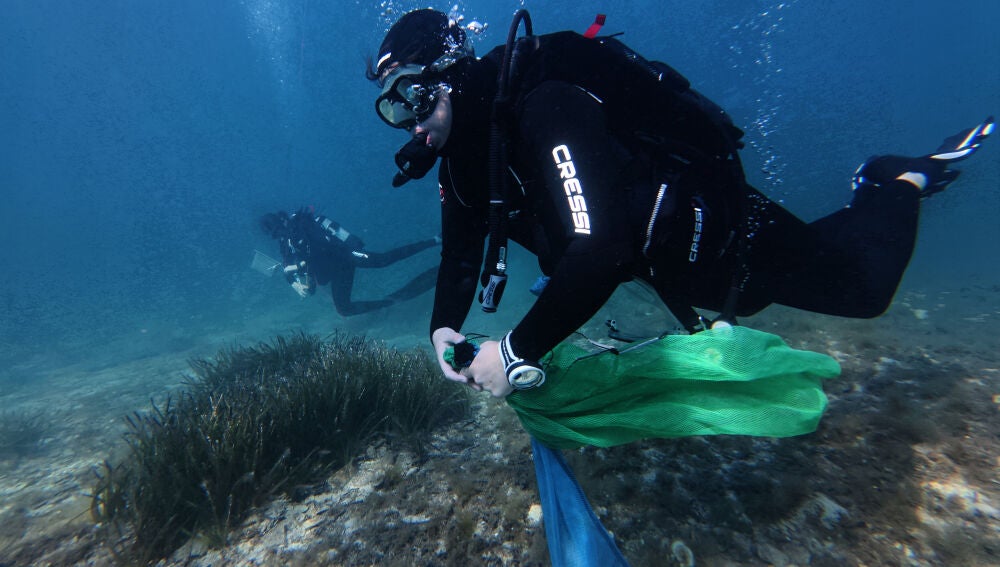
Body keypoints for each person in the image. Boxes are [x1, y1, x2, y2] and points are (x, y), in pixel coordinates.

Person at [368, 9, 993, 397]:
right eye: (395, 108)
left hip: (718, 234)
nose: (410, 125)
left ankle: (895, 178)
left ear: (449, 74)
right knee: (814, 263)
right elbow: (459, 254)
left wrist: (513, 352)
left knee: (862, 289)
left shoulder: (544, 106)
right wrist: (442, 328)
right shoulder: (464, 161)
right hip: (669, 267)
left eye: (415, 99)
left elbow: (602, 245)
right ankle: (872, 198)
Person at [259, 208, 440, 316]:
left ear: (282, 220)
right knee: (344, 309)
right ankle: (391, 302)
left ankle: (434, 240)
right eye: (274, 234)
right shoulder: (287, 245)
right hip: (336, 271)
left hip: (344, 256)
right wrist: (299, 285)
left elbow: (322, 248)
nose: (279, 234)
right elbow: (297, 275)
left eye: (278, 229)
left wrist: (297, 268)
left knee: (383, 260)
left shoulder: (302, 224)